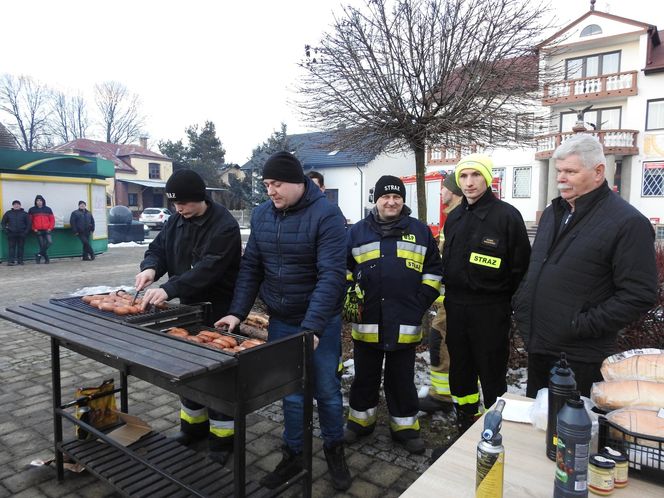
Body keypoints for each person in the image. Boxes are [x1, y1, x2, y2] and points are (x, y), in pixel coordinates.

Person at [215, 151, 352, 491]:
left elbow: (331, 275)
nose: (270, 191)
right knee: (290, 393)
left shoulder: (327, 215)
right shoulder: (262, 215)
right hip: (282, 320)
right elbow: (251, 269)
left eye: (276, 184)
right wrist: (237, 312)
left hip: (319, 322)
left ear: (296, 182)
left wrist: (313, 327)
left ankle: (335, 449)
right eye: (265, 185)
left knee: (327, 391)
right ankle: (293, 455)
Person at [513, 134, 658, 397]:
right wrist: (522, 302)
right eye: (559, 171)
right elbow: (538, 268)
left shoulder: (627, 223)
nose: (560, 178)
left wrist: (579, 325)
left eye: (570, 171)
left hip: (580, 358)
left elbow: (639, 294)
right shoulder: (553, 212)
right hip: (540, 347)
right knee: (537, 432)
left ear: (598, 172)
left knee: (572, 433)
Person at [135, 169, 241, 466]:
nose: (178, 208)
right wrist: (151, 269)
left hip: (220, 309)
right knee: (189, 369)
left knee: (219, 376)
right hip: (187, 307)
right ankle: (192, 428)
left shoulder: (224, 225)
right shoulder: (176, 221)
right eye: (174, 204)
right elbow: (158, 250)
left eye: (183, 203)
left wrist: (169, 289)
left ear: (200, 199)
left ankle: (222, 440)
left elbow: (209, 268)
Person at [343, 175, 443, 455]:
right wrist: (351, 296)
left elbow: (433, 271)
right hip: (368, 321)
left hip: (404, 321)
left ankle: (405, 427)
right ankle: (360, 421)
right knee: (364, 376)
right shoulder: (357, 232)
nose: (391, 201)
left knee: (401, 378)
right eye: (385, 197)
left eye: (396, 197)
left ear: (403, 200)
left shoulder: (420, 231)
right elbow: (344, 269)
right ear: (376, 200)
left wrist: (419, 302)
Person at [441, 154, 531, 434]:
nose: (469, 183)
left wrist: (507, 305)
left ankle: (495, 434)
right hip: (456, 308)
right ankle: (465, 425)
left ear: (487, 178)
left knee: (491, 375)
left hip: (490, 310)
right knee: (460, 372)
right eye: (463, 176)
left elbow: (521, 269)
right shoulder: (454, 217)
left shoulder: (506, 216)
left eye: (475, 175)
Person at [419, 174, 469, 415]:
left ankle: (443, 396)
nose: (440, 193)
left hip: (455, 303)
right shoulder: (456, 217)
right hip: (451, 302)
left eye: (443, 189)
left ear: (453, 191)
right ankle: (452, 393)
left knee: (440, 342)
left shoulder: (460, 218)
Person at [1, 200, 31, 265]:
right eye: (15, 204)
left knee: (21, 247)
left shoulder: (25, 213)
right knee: (11, 248)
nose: (16, 205)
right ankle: (11, 261)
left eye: (18, 204)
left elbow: (29, 224)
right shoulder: (8, 213)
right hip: (11, 233)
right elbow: (3, 223)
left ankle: (20, 261)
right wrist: (7, 231)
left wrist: (25, 232)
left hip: (22, 233)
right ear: (13, 206)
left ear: (20, 205)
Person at [28, 195, 55, 264]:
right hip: (38, 230)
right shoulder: (32, 210)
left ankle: (38, 255)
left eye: (40, 200)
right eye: (37, 200)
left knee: (49, 242)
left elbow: (52, 220)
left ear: (43, 201)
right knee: (42, 245)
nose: (39, 202)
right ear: (35, 202)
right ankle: (46, 259)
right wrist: (34, 228)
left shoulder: (48, 209)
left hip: (47, 229)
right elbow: (30, 221)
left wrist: (50, 228)